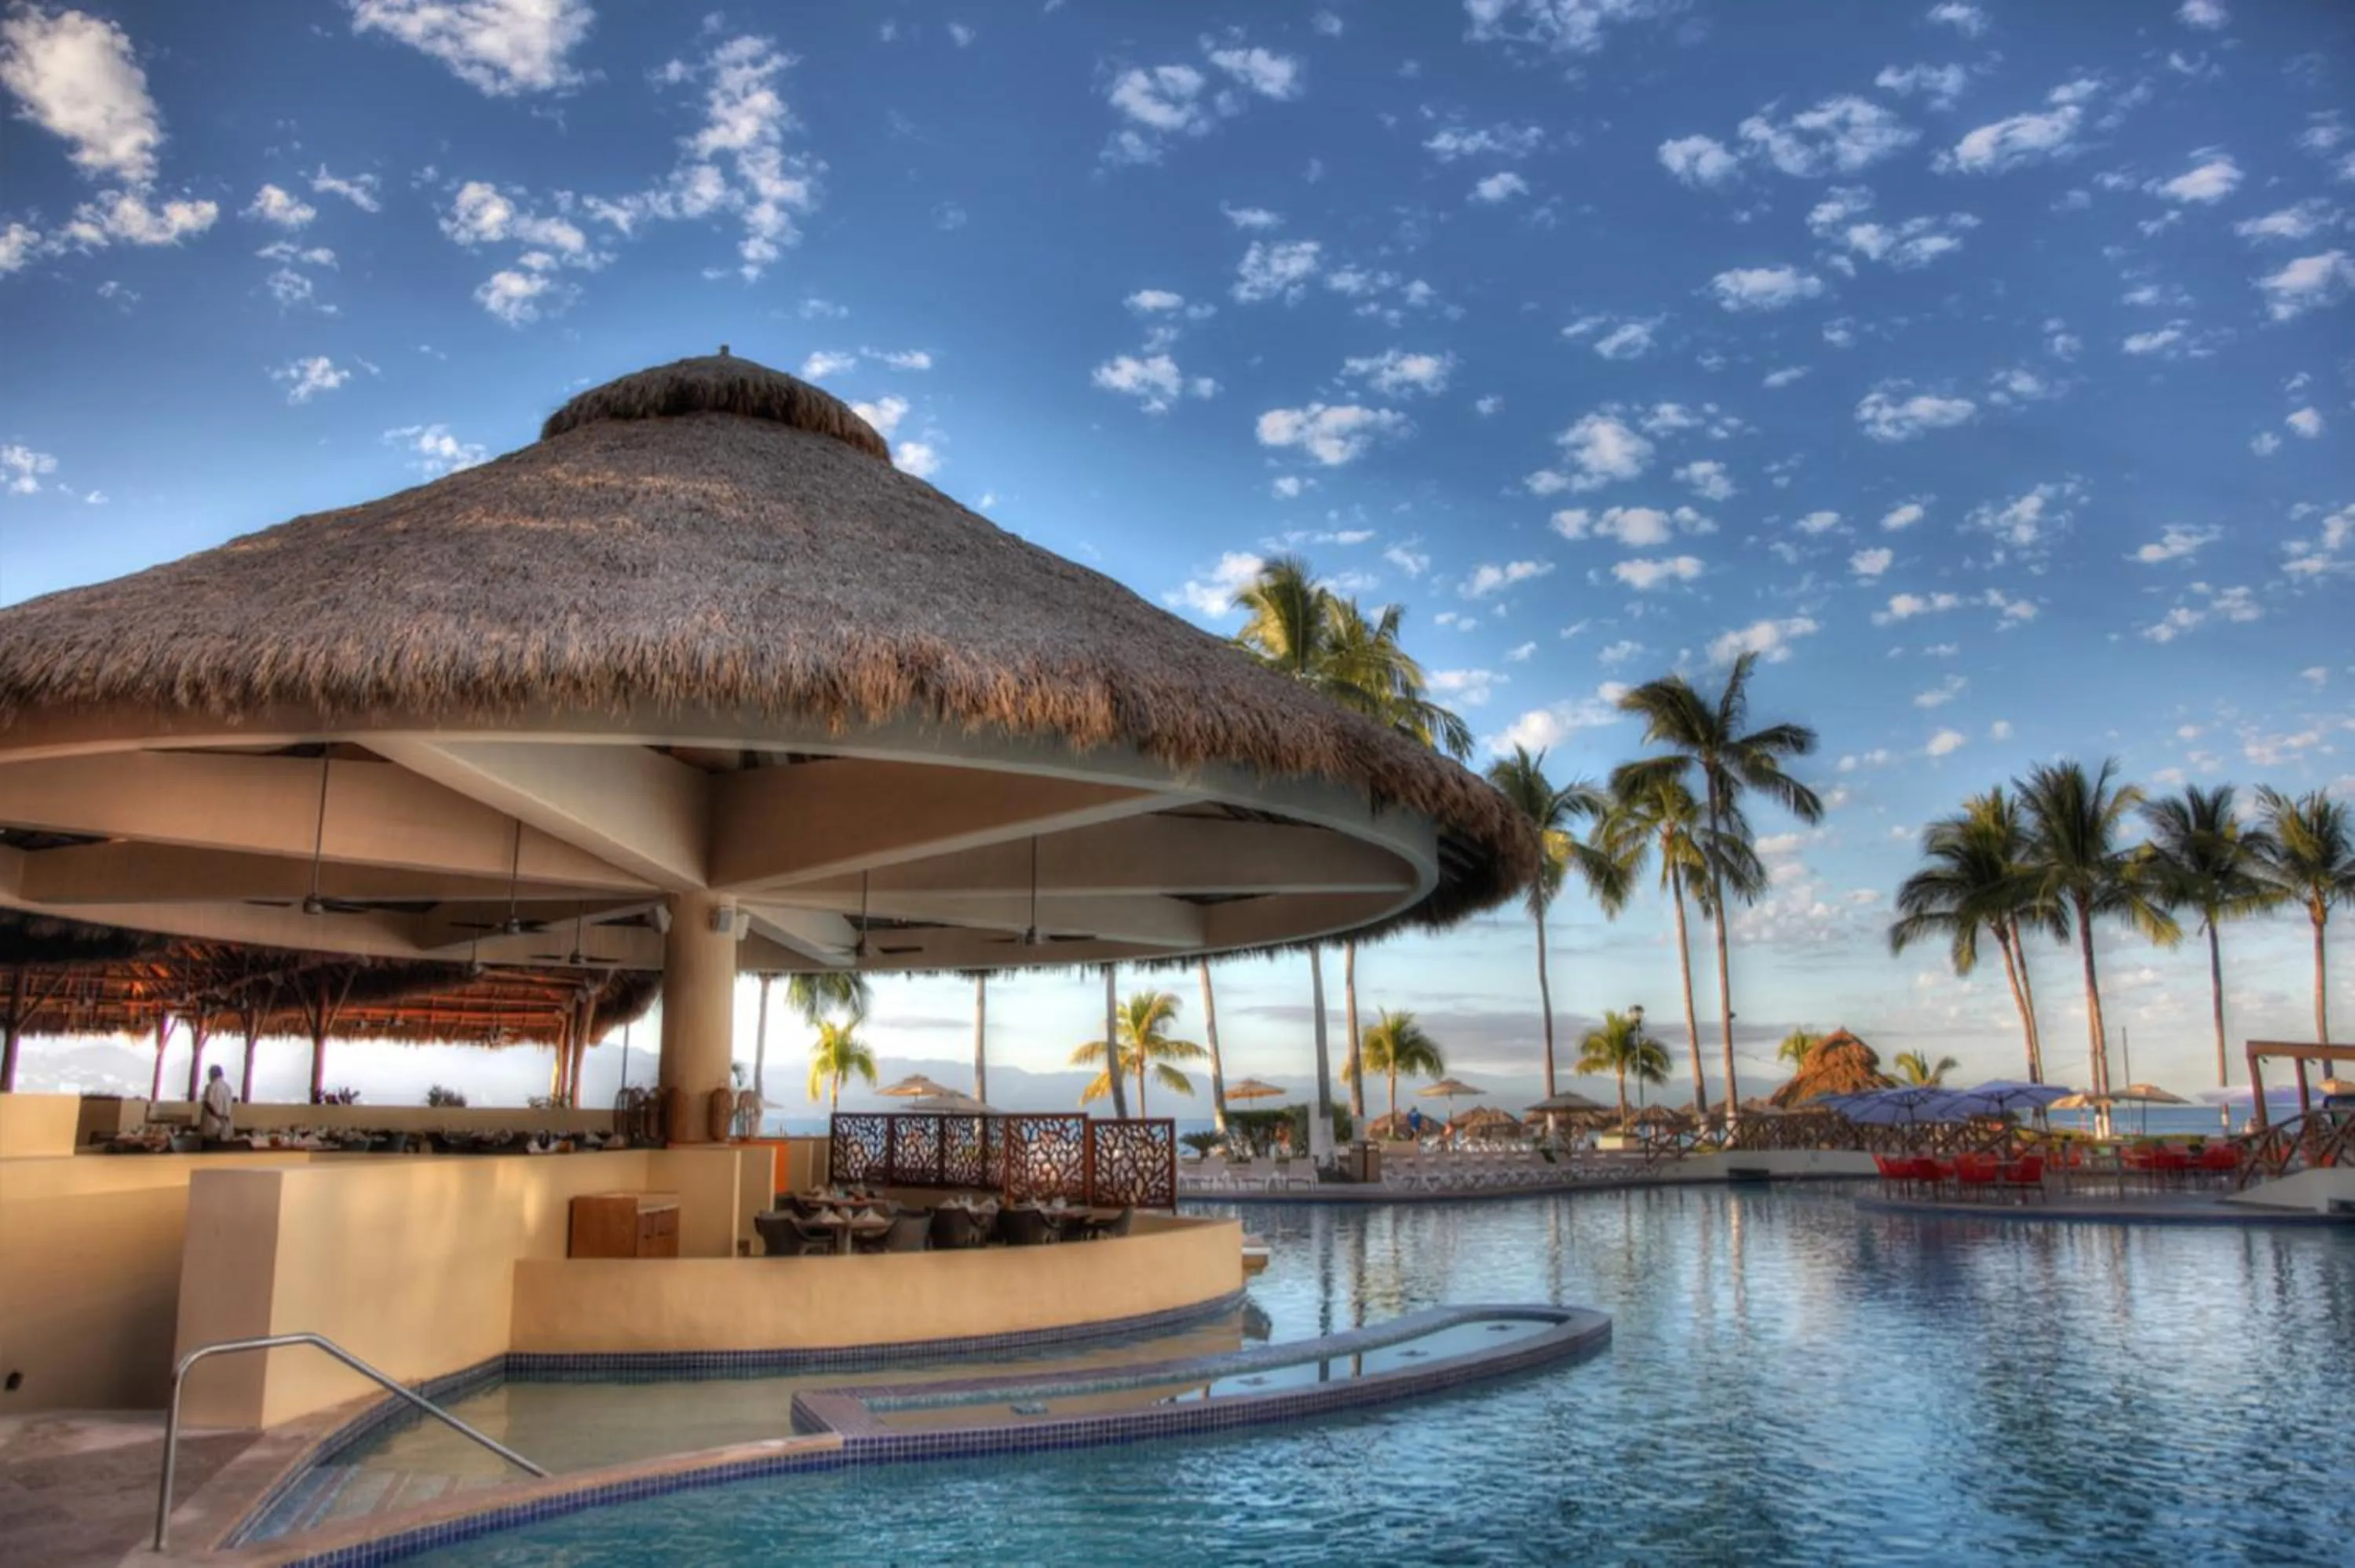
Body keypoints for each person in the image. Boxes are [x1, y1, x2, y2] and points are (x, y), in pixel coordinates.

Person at [199, 1063, 236, 1147]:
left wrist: (217, 1116)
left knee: (209, 1148)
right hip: (225, 1125)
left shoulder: (211, 1086)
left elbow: (208, 1103)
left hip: (211, 1124)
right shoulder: (228, 1088)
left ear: (212, 1074)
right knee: (221, 1149)